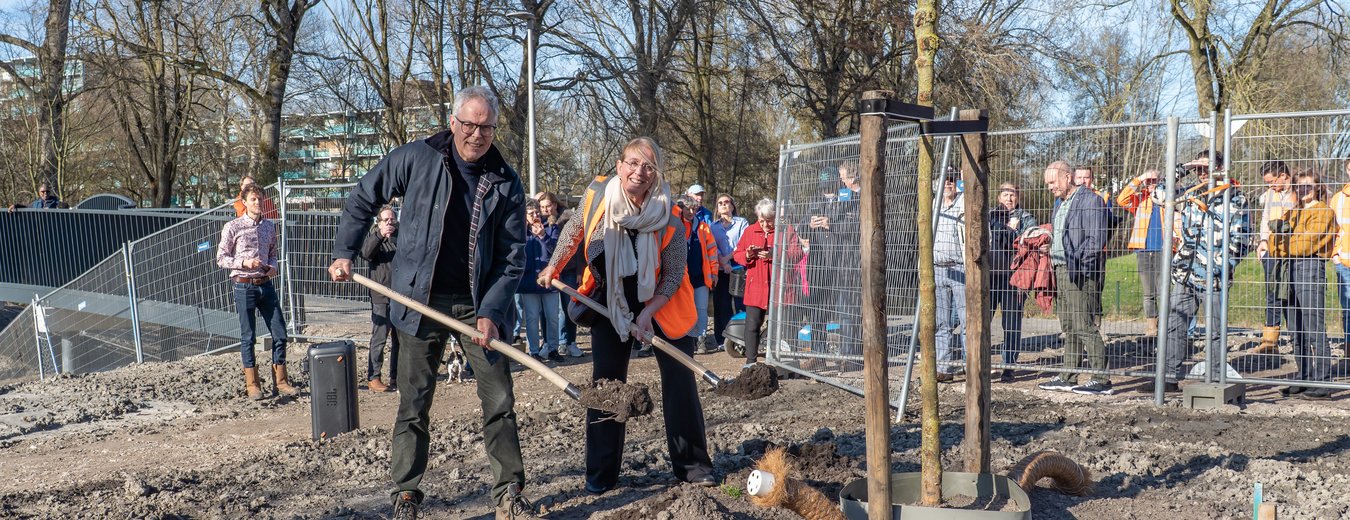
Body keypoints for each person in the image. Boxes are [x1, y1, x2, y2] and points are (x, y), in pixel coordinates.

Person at [327, 86, 536, 520]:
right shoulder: (417, 158)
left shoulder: (505, 180)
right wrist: (345, 251)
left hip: (478, 305)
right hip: (418, 300)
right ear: (453, 122)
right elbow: (365, 195)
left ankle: (509, 493)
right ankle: (405, 494)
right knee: (414, 402)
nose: (477, 134)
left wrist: (492, 312)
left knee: (499, 400)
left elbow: (512, 257)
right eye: (470, 125)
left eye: (487, 127)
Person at [535, 137, 717, 494]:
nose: (639, 171)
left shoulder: (670, 213)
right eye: (633, 163)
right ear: (619, 166)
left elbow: (674, 274)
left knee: (680, 381)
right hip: (609, 301)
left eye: (649, 166)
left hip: (663, 304)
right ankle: (601, 475)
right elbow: (574, 231)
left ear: (656, 174)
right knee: (607, 386)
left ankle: (693, 466)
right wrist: (554, 265)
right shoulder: (598, 196)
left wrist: (648, 312)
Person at [1159, 150, 1251, 394]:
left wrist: (1220, 267)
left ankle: (1216, 377)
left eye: (1205, 168)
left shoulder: (1235, 198)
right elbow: (1160, 194)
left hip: (1214, 278)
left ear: (1219, 168)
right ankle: (1168, 378)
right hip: (1185, 274)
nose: (1201, 173)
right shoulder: (1191, 194)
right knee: (1174, 325)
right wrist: (1184, 167)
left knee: (1215, 330)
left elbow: (1242, 240)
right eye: (1198, 169)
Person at [1037, 160, 1112, 395]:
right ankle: (1068, 376)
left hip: (1078, 272)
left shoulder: (1091, 201)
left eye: (1052, 182)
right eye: (1047, 183)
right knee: (1069, 326)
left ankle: (1101, 379)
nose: (1050, 187)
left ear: (1067, 177)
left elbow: (1096, 240)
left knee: (1084, 325)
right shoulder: (1060, 204)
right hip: (1060, 269)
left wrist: (1080, 267)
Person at [216, 183, 296, 401]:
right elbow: (221, 258)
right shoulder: (233, 227)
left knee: (280, 333)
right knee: (248, 336)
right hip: (244, 285)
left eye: (260, 198)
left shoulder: (269, 226)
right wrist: (244, 262)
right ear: (244, 202)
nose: (258, 202)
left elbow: (273, 253)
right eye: (253, 199)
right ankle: (253, 384)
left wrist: (273, 266)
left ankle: (281, 381)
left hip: (265, 284)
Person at [1269, 169, 1336, 399]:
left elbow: (1307, 245)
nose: (1303, 190)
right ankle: (1304, 376)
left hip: (1310, 268)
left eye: (1308, 185)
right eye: (1299, 186)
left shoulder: (1324, 212)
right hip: (1288, 270)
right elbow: (1273, 245)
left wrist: (1286, 240)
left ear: (1317, 188)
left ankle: (1323, 382)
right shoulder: (1292, 213)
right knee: (1295, 328)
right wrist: (1285, 241)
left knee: (1313, 326)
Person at [733, 198, 801, 364]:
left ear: (775, 217)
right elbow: (737, 254)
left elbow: (797, 253)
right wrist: (748, 255)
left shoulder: (786, 230)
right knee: (752, 325)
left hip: (781, 287)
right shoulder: (750, 231)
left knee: (786, 326)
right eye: (761, 220)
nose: (765, 225)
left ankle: (788, 361)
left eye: (769, 221)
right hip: (756, 286)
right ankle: (751, 362)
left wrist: (776, 255)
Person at [990, 182, 1037, 383]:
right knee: (983, 319)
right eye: (1005, 195)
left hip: (1015, 277)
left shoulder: (1027, 218)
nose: (1009, 198)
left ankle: (1008, 366)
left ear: (1018, 197)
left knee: (1011, 323)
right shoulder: (990, 215)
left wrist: (1012, 233)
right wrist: (1009, 230)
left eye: (1013, 195)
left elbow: (1027, 243)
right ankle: (980, 362)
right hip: (991, 277)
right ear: (999, 197)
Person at [1116, 168, 1167, 338]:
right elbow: (1121, 199)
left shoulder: (1167, 198)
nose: (1151, 184)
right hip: (1143, 249)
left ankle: (1166, 325)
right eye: (1148, 181)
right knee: (1148, 292)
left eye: (1154, 181)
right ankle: (1152, 326)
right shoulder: (1139, 199)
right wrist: (1139, 178)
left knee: (1163, 290)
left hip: (1163, 249)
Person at [1254, 160, 1296, 354]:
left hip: (1294, 252)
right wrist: (1263, 241)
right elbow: (1265, 218)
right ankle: (1270, 342)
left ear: (1283, 176)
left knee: (1293, 296)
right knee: (1272, 293)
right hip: (1272, 251)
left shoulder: (1299, 192)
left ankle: (1298, 339)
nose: (1269, 186)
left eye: (1271, 181)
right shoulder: (1271, 194)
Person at [537, 191, 584, 357]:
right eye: (542, 207)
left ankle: (570, 341)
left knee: (568, 307)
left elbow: (579, 245)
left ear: (555, 204)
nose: (545, 210)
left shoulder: (568, 220)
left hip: (568, 269)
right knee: (547, 310)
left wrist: (580, 270)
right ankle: (549, 342)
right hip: (546, 270)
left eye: (548, 206)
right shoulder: (538, 222)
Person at [360, 206, 400, 392]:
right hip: (381, 295)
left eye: (392, 219)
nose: (390, 223)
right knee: (380, 337)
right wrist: (380, 236)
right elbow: (366, 254)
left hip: (401, 296)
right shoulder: (374, 238)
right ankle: (374, 377)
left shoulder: (400, 237)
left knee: (400, 339)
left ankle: (396, 376)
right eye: (386, 220)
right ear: (379, 222)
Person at [518, 200, 563, 362]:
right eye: (531, 213)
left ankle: (553, 349)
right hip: (529, 281)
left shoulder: (551, 228)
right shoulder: (520, 231)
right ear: (525, 216)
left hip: (549, 281)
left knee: (552, 317)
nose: (536, 215)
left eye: (537, 212)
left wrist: (543, 236)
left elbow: (557, 251)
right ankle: (534, 351)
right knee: (531, 318)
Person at [677, 196, 719, 354]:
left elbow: (712, 251)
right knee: (683, 309)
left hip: (700, 276)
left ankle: (701, 339)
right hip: (681, 277)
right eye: (687, 208)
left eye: (693, 209)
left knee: (701, 309)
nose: (690, 212)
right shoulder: (675, 226)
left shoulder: (703, 228)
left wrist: (714, 272)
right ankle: (686, 339)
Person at [934, 176, 966, 382]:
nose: (947, 183)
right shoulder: (932, 206)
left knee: (966, 321)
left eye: (951, 179)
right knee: (941, 323)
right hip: (937, 269)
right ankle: (943, 368)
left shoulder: (964, 204)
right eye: (943, 179)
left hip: (960, 268)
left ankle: (970, 365)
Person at [710, 193, 748, 351]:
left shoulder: (742, 223)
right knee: (721, 304)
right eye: (720, 203)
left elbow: (743, 243)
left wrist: (727, 259)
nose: (724, 205)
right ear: (717, 208)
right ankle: (722, 340)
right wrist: (722, 261)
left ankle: (742, 338)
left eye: (727, 202)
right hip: (720, 269)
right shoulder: (712, 226)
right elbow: (712, 245)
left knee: (741, 304)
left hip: (738, 268)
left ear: (732, 206)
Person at [1329, 160, 1350, 353]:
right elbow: (1332, 231)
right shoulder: (1338, 199)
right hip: (1344, 263)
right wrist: (1335, 255)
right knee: (1348, 308)